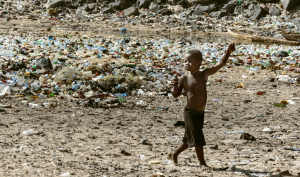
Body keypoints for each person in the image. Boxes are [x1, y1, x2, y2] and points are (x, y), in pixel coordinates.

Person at [168, 43, 236, 170]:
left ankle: (174, 154)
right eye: (185, 61)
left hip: (200, 112)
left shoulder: (203, 74)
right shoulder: (184, 78)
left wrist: (228, 52)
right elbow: (175, 95)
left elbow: (219, 64)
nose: (186, 63)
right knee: (198, 136)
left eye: (190, 61)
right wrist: (174, 85)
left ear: (199, 63)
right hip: (190, 112)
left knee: (188, 139)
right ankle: (202, 163)